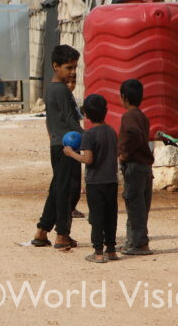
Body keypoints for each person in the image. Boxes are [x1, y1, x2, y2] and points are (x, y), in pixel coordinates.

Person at [32, 45, 83, 250]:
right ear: (55, 66)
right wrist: (93, 138)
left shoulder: (52, 89)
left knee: (57, 190)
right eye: (68, 67)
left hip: (58, 144)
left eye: (75, 68)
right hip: (67, 147)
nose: (72, 72)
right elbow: (71, 121)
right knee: (67, 191)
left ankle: (42, 232)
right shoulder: (61, 90)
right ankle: (62, 235)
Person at [64, 94, 119, 263]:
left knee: (97, 218)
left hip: (96, 183)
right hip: (112, 180)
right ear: (105, 111)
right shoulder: (111, 131)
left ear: (85, 114)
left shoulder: (89, 135)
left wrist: (71, 153)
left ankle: (98, 253)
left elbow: (88, 159)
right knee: (111, 216)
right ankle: (111, 250)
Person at [118, 79, 154, 255]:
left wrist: (124, 153)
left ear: (123, 97)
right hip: (145, 168)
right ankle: (132, 241)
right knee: (140, 206)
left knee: (135, 206)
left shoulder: (129, 116)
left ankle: (139, 243)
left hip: (135, 167)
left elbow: (135, 135)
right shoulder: (142, 116)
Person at [66, 77, 84, 219]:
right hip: (70, 143)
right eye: (68, 83)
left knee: (75, 177)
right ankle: (69, 208)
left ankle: (71, 207)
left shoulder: (71, 98)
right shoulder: (65, 99)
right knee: (72, 177)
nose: (71, 85)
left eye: (73, 82)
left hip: (75, 142)